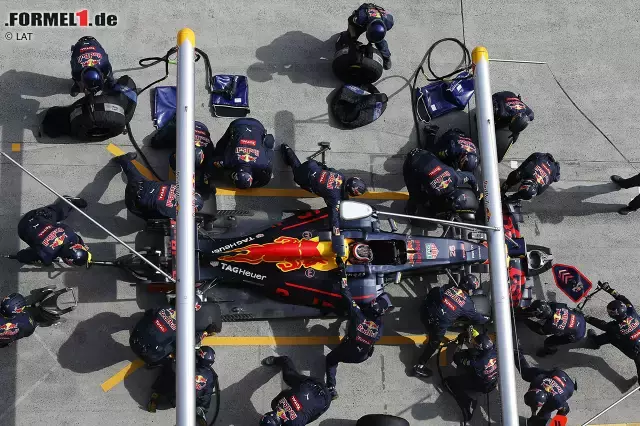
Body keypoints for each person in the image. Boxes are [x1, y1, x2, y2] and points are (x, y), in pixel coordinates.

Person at [281, 144, 367, 257]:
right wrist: (336, 234)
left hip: (313, 165)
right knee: (297, 172)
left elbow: (330, 170)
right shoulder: (334, 196)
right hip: (305, 175)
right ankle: (287, 150)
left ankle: (288, 150)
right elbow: (333, 216)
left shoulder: (340, 176)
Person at [325, 273, 392, 399]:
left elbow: (347, 295)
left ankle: (331, 387)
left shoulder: (357, 314)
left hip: (349, 348)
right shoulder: (380, 326)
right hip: (362, 356)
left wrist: (343, 277)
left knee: (331, 359)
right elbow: (376, 336)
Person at [413, 274, 489, 378]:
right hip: (436, 326)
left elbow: (436, 292)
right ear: (471, 289)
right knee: (433, 344)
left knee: (436, 291)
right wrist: (487, 319)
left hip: (425, 313)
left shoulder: (449, 287)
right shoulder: (468, 304)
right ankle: (419, 367)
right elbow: (477, 318)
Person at [112, 152, 204, 220]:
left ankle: (123, 159)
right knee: (148, 217)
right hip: (133, 200)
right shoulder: (173, 214)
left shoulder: (177, 186)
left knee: (132, 171)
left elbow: (165, 183)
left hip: (141, 183)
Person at [129, 302, 218, 367]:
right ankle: (153, 364)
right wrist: (206, 332)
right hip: (148, 355)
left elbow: (148, 313)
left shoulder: (164, 307)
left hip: (134, 339)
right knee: (176, 348)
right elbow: (189, 343)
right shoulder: (183, 327)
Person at [147, 346, 217, 426]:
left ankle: (156, 395)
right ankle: (201, 409)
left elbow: (174, 364)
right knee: (208, 391)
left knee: (168, 370)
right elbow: (208, 393)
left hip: (173, 396)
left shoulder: (184, 366)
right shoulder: (210, 375)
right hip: (188, 400)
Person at [585, 282, 640, 383]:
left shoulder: (613, 328)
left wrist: (585, 317)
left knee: (611, 336)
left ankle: (595, 342)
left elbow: (600, 324)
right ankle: (596, 342)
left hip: (634, 351)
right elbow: (624, 299)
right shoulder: (632, 311)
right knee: (613, 335)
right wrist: (610, 290)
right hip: (634, 341)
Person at [16, 197, 91, 266]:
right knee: (35, 255)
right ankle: (34, 255)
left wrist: (82, 245)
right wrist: (44, 261)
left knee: (57, 213)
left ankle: (68, 203)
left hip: (36, 216)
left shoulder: (70, 235)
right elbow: (21, 256)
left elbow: (61, 226)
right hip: (23, 228)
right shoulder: (47, 255)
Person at [402, 148, 478, 217]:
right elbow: (426, 200)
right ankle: (409, 211)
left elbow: (471, 177)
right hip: (411, 163)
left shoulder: (455, 178)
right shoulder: (435, 192)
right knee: (416, 196)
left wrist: (476, 190)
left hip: (425, 153)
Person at [260, 355, 332, 426]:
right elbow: (285, 392)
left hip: (324, 397)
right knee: (289, 376)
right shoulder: (276, 403)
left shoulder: (296, 423)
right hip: (314, 385)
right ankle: (285, 360)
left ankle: (284, 360)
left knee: (310, 416)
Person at [443, 332, 498, 422]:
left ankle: (467, 401)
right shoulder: (496, 350)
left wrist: (460, 343)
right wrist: (473, 333)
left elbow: (457, 359)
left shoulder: (476, 362)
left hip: (481, 385)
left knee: (448, 381)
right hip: (493, 382)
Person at [210, 118, 275, 189]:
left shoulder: (263, 163)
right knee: (222, 146)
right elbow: (213, 162)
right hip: (238, 124)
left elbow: (270, 152)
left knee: (268, 144)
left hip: (257, 126)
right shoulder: (229, 161)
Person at [515, 346, 575, 424]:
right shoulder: (537, 381)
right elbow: (533, 401)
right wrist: (533, 414)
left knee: (543, 416)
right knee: (525, 373)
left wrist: (556, 424)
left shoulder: (557, 401)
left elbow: (565, 410)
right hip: (555, 375)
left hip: (567, 386)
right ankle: (516, 352)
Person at [522, 300, 586, 356]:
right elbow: (550, 304)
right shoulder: (558, 305)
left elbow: (541, 331)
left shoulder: (552, 325)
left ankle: (550, 351)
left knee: (549, 342)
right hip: (581, 319)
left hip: (578, 335)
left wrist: (525, 320)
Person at [340, 3, 394, 70]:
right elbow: (350, 23)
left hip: (374, 19)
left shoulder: (389, 22)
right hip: (364, 18)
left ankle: (386, 56)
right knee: (348, 37)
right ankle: (343, 42)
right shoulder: (359, 18)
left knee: (380, 42)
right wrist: (353, 37)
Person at [168, 121, 216, 193]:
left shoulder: (209, 152)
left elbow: (209, 171)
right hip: (186, 124)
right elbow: (172, 158)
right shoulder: (182, 147)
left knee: (208, 171)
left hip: (202, 128)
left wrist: (205, 183)